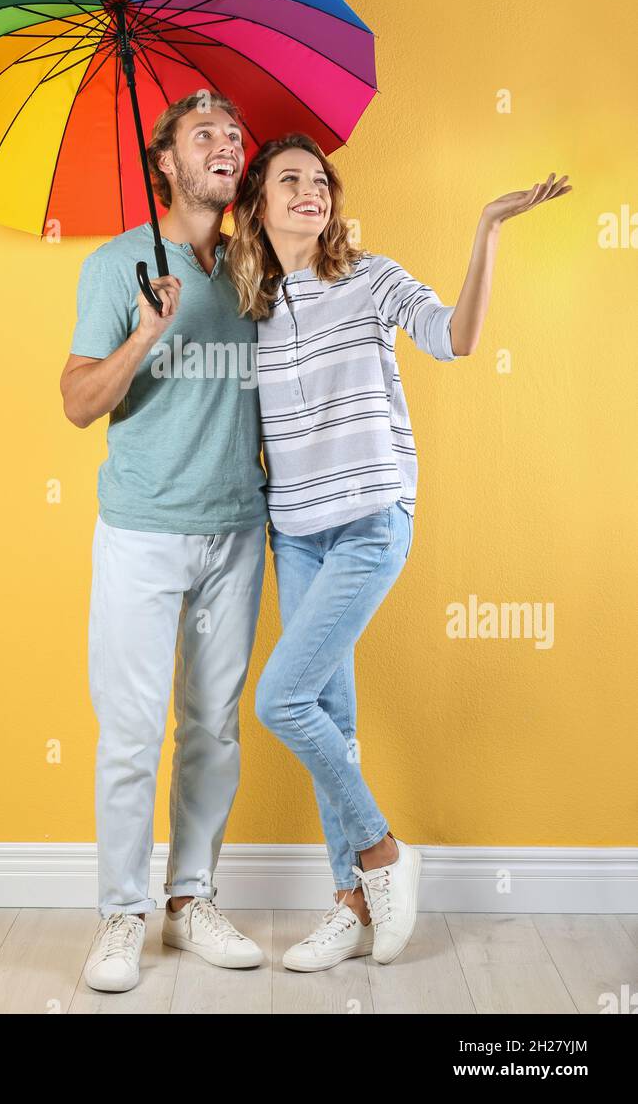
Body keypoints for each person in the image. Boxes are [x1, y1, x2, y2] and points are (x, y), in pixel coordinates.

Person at [225, 133, 571, 970]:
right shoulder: (253, 312)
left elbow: (454, 340)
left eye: (319, 181)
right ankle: (349, 901)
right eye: (291, 181)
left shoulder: (370, 277)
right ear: (258, 207)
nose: (311, 191)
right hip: (295, 532)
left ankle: (380, 854)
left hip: (372, 521)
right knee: (330, 718)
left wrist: (487, 228)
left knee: (279, 700)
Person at [60, 92, 269, 993]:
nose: (226, 143)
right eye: (204, 133)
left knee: (213, 728)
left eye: (233, 133)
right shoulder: (117, 268)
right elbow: (76, 403)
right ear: (167, 164)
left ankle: (191, 902)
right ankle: (120, 914)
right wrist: (148, 331)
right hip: (142, 530)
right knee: (132, 732)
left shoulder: (262, 269)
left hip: (239, 527)